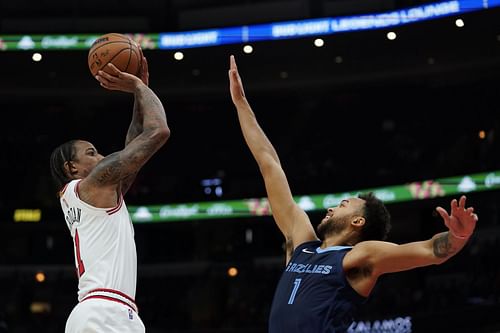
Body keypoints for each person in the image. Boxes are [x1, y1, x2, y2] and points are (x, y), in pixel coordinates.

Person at [228, 54, 478, 332]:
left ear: (358, 222)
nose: (333, 207)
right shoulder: (301, 243)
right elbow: (269, 165)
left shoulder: (360, 257)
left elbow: (430, 249)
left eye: (344, 205)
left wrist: (458, 236)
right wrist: (241, 105)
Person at [49, 55, 170, 333]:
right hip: (105, 313)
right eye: (91, 153)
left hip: (104, 312)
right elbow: (158, 131)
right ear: (72, 167)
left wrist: (141, 94)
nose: (102, 156)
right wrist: (139, 88)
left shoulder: (90, 194)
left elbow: (134, 144)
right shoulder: (90, 186)